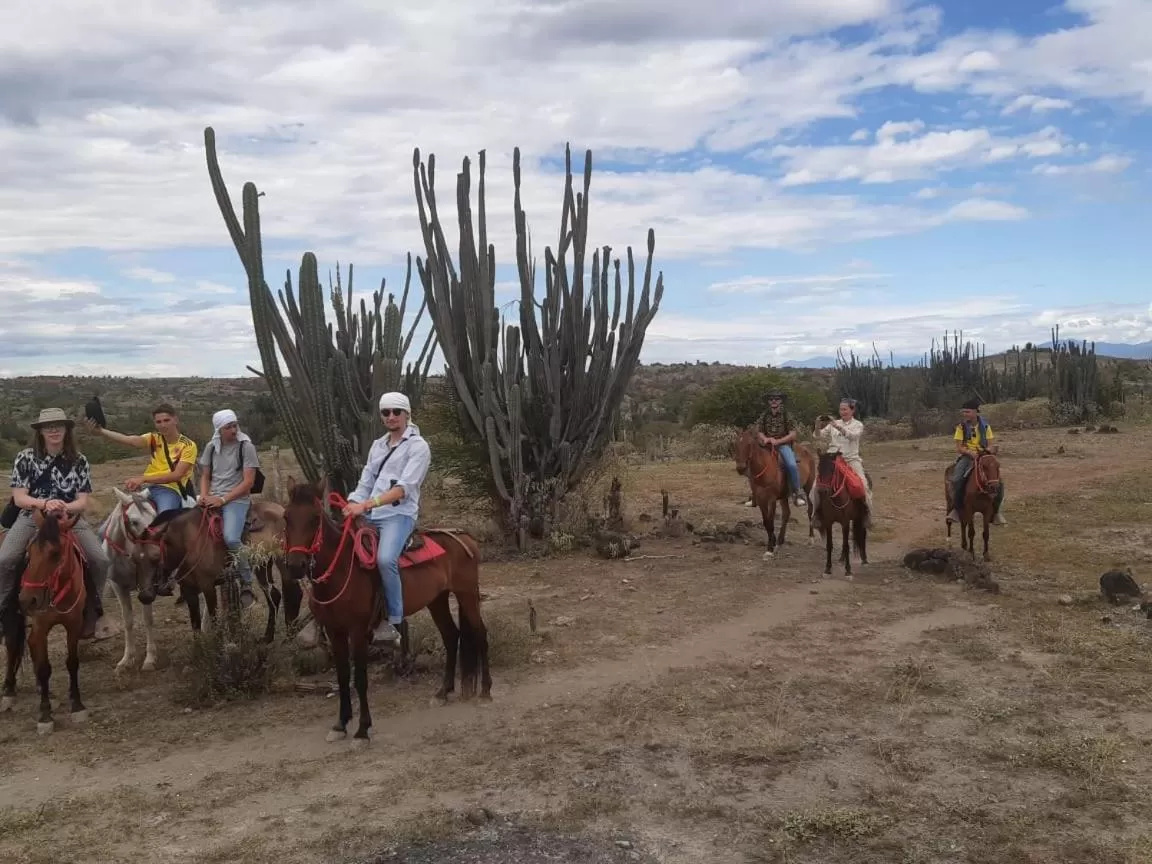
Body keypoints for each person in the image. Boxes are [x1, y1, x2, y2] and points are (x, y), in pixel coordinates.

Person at [0, 408, 118, 641]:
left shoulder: (79, 461)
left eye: (58, 425)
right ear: (41, 431)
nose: (53, 430)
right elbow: (20, 497)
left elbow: (82, 501)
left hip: (70, 518)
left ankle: (93, 612)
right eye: (48, 426)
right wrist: (46, 503)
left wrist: (64, 508)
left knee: (100, 560)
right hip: (31, 516)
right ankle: (4, 611)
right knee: (6, 559)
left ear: (66, 429)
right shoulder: (25, 457)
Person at [342, 392, 431, 645]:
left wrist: (367, 504)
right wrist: (352, 502)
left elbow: (404, 488)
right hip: (371, 513)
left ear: (407, 414)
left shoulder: (418, 446)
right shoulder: (378, 445)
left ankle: (393, 621)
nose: (391, 417)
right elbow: (366, 480)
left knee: (384, 559)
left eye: (396, 412)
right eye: (386, 412)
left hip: (399, 515)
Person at [84, 403, 198, 514]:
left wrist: (143, 479)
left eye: (166, 420)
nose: (163, 425)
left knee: (164, 518)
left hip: (172, 490)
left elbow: (176, 475)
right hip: (150, 488)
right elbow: (129, 440)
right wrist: (102, 432)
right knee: (119, 520)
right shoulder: (154, 438)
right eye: (159, 422)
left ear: (175, 420)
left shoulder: (188, 445)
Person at [197, 409, 260, 609]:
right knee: (185, 526)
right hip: (213, 496)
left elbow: (248, 482)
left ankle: (247, 580)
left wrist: (222, 500)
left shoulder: (246, 447)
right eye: (228, 427)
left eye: (235, 425)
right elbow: (205, 475)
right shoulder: (211, 447)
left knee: (231, 538)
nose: (234, 430)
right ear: (219, 430)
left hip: (236, 499)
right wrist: (205, 496)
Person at [812, 397, 872, 527]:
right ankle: (817, 515)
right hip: (833, 459)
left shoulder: (857, 424)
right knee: (816, 487)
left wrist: (838, 427)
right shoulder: (834, 423)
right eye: (841, 409)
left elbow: (853, 436)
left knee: (863, 485)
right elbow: (818, 436)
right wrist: (817, 425)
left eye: (845, 409)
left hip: (851, 459)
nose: (842, 412)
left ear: (852, 410)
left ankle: (866, 514)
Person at [948, 398, 1006, 526]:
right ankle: (956, 510)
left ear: (975, 412)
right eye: (963, 412)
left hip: (984, 456)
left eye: (967, 412)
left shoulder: (985, 426)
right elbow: (959, 448)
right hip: (967, 456)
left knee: (999, 482)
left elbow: (991, 444)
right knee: (957, 479)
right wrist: (970, 453)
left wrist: (988, 450)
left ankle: (996, 512)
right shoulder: (961, 427)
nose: (965, 414)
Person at [755, 390, 807, 508]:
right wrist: (766, 439)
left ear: (780, 401)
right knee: (753, 462)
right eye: (771, 399)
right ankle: (754, 493)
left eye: (776, 399)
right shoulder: (764, 415)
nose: (773, 401)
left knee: (792, 465)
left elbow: (793, 434)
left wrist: (778, 441)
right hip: (767, 445)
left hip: (783, 445)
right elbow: (759, 432)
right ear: (768, 401)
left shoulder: (786, 415)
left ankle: (797, 492)